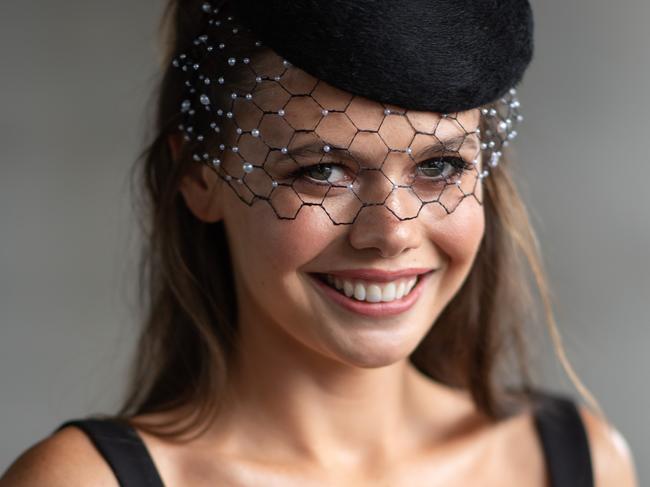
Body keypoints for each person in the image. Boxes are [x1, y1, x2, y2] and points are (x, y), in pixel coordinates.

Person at [1, 0, 637, 485]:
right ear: (198, 177)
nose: (391, 233)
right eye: (321, 171)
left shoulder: (577, 462)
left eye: (440, 167)